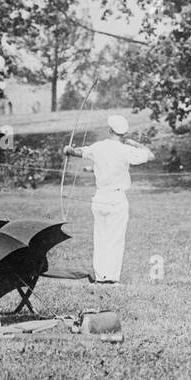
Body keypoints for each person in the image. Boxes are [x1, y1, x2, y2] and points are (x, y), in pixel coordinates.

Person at [62, 115, 153, 284]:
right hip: (116, 197)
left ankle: (101, 277)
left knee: (101, 237)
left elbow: (79, 152)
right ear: (123, 133)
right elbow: (150, 156)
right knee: (115, 238)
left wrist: (69, 150)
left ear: (110, 130)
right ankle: (111, 278)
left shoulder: (99, 147)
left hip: (100, 196)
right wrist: (136, 144)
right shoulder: (125, 149)